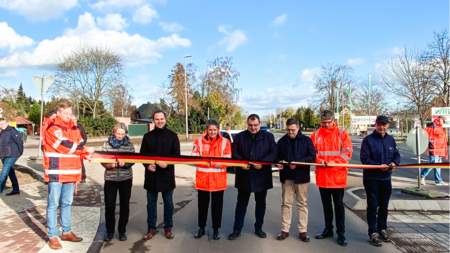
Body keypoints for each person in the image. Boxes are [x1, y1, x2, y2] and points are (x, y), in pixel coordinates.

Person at [43, 102, 95, 250]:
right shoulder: (53, 128)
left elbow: (78, 144)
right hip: (57, 172)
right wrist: (84, 149)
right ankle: (52, 235)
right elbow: (65, 146)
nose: (68, 116)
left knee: (67, 203)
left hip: (71, 173)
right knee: (53, 204)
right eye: (66, 114)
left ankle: (66, 231)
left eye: (70, 113)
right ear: (58, 113)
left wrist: (85, 154)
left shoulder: (74, 128)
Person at [228, 114, 277, 240]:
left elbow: (274, 153)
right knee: (241, 204)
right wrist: (241, 163)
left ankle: (259, 228)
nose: (253, 128)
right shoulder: (239, 137)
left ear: (260, 124)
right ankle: (237, 229)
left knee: (261, 204)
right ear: (247, 124)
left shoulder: (268, 137)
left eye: (255, 125)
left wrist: (263, 163)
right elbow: (234, 152)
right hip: (244, 176)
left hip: (262, 176)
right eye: (250, 125)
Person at [311, 110, 353, 246]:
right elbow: (311, 152)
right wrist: (319, 160)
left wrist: (335, 162)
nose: (326, 125)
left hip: (337, 177)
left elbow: (347, 152)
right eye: (323, 122)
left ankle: (341, 233)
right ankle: (328, 229)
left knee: (339, 206)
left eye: (328, 122)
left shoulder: (342, 133)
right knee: (326, 205)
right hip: (323, 177)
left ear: (333, 120)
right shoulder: (316, 134)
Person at [360, 115, 401, 247]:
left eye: (384, 124)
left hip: (386, 179)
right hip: (372, 178)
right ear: (375, 125)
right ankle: (373, 232)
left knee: (384, 206)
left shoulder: (391, 140)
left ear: (387, 125)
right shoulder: (368, 140)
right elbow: (364, 159)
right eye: (379, 124)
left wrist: (395, 163)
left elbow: (397, 155)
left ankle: (382, 229)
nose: (381, 127)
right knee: (373, 206)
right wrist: (379, 165)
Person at [140, 110, 180, 240]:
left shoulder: (173, 136)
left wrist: (168, 163)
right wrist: (147, 165)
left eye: (161, 119)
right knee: (151, 204)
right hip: (151, 177)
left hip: (167, 176)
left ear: (165, 119)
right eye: (157, 119)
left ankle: (168, 228)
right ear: (153, 121)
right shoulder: (147, 137)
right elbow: (142, 156)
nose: (159, 121)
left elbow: (177, 155)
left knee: (168, 203)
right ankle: (151, 228)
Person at [276, 118, 316, 242]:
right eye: (288, 129)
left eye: (292, 130)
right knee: (286, 204)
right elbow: (276, 156)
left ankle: (303, 231)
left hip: (301, 176)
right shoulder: (282, 141)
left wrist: (298, 163)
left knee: (302, 204)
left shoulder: (306, 140)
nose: (290, 132)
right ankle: (285, 230)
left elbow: (312, 156)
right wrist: (278, 162)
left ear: (298, 128)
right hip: (287, 177)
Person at [191, 119, 231, 240]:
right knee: (202, 206)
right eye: (210, 130)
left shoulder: (225, 142)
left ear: (218, 129)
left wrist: (221, 164)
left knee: (217, 206)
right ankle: (201, 228)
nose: (212, 132)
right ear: (206, 129)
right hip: (203, 179)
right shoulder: (198, 141)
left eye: (214, 130)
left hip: (218, 180)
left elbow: (228, 159)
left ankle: (216, 229)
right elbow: (194, 157)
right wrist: (211, 163)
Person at [101, 123, 135, 242]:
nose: (120, 136)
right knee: (110, 206)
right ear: (114, 132)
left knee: (124, 206)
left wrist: (124, 164)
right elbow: (102, 160)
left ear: (125, 133)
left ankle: (122, 231)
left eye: (122, 134)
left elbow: (133, 161)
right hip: (110, 179)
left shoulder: (130, 145)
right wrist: (109, 165)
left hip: (125, 179)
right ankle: (109, 231)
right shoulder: (106, 145)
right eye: (118, 134)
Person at [421, 115, 448, 186]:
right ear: (440, 119)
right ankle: (422, 176)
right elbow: (425, 136)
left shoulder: (440, 127)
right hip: (434, 148)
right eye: (443, 121)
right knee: (433, 163)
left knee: (438, 164)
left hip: (439, 149)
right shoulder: (432, 126)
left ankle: (438, 180)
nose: (444, 123)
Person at [0, 118, 23, 196]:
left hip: (11, 155)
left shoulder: (11, 131)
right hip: (3, 156)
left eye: (3, 123)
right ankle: (16, 189)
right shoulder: (2, 132)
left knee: (4, 173)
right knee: (11, 172)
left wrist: (20, 152)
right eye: (0, 124)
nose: (2, 125)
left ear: (7, 123)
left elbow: (19, 141)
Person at [71, 115, 88, 183]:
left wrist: (82, 145)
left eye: (74, 120)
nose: (73, 121)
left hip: (80, 148)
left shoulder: (80, 127)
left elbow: (84, 137)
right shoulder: (67, 127)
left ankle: (83, 177)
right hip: (71, 149)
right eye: (72, 120)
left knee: (81, 163)